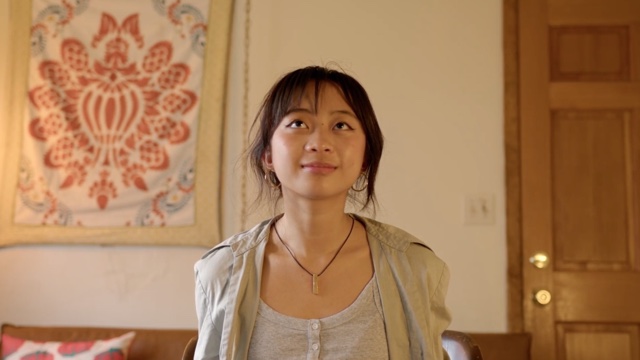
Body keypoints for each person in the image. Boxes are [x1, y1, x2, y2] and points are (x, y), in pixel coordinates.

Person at [194, 65, 451, 359]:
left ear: (366, 157)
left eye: (341, 126)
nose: (320, 143)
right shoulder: (222, 272)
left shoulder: (417, 269)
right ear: (267, 155)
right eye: (298, 123)